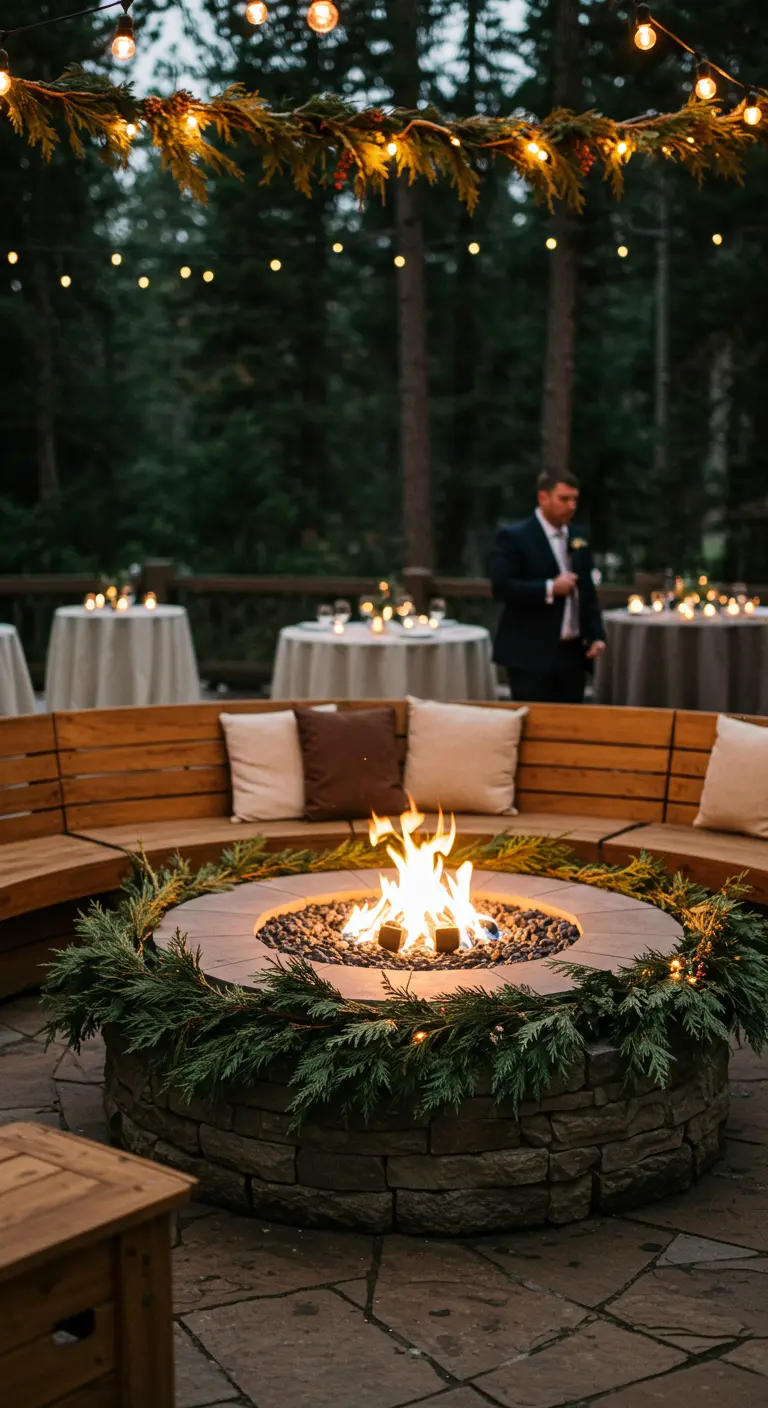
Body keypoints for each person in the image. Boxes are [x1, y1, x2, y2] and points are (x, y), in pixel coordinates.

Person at [489, 469, 606, 703]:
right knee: (534, 719)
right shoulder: (515, 537)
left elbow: (587, 590)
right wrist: (549, 588)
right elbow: (502, 587)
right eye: (564, 499)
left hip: (572, 653)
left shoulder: (578, 535)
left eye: (575, 499)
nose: (571, 506)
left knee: (570, 720)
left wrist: (596, 634)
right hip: (530, 653)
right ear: (543, 497)